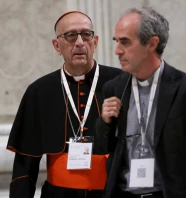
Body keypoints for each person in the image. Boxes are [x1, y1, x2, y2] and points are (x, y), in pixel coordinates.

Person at [7, 10, 121, 198]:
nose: (79, 42)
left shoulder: (120, 83)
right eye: (70, 36)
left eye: (86, 34)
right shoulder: (40, 91)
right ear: (56, 46)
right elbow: (25, 165)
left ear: (96, 42)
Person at [97, 6, 186, 198]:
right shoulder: (113, 88)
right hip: (123, 193)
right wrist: (104, 122)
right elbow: (104, 148)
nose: (117, 51)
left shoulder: (182, 88)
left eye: (125, 42)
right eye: (116, 41)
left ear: (152, 44)